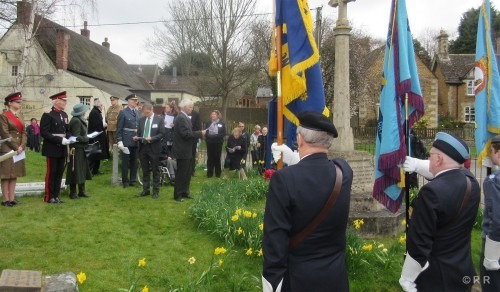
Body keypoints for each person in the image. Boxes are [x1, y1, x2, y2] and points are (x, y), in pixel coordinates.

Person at [262, 111, 352, 291]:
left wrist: (272, 284)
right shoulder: (344, 172)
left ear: (300, 139)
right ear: (328, 142)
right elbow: (321, 170)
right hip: (335, 278)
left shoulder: (284, 179)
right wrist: (296, 159)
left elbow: (275, 240)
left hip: (298, 279)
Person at [399, 132, 480, 292]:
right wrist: (416, 163)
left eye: (430, 155)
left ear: (439, 159)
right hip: (461, 270)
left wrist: (407, 278)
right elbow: (449, 174)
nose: (428, 158)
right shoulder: (471, 183)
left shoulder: (431, 193)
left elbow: (419, 244)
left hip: (435, 279)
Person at [40, 91, 71, 204]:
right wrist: (60, 140)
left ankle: (56, 195)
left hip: (62, 148)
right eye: (63, 100)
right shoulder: (48, 114)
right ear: (56, 101)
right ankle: (49, 196)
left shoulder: (64, 115)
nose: (65, 103)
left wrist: (70, 138)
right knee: (51, 172)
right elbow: (44, 132)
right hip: (52, 148)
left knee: (59, 172)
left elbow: (67, 130)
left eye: (65, 101)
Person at [172, 99, 205, 202]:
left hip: (187, 149)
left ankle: (185, 191)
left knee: (187, 172)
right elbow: (185, 134)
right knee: (181, 173)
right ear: (185, 107)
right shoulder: (181, 118)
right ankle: (177, 194)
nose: (192, 109)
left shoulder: (185, 117)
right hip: (182, 150)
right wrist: (200, 133)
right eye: (190, 107)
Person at [479, 135, 500, 292]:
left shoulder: (493, 181)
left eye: (490, 151)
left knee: (491, 284)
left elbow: (496, 220)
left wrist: (491, 256)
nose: (488, 155)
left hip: (495, 244)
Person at [0, 92, 27, 207]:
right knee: (6, 175)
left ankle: (12, 198)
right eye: (17, 102)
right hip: (8, 148)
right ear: (10, 103)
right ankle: (5, 199)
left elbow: (24, 132)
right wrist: (16, 147)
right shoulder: (4, 116)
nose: (19, 104)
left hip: (19, 148)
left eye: (20, 102)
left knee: (14, 174)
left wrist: (22, 145)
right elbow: (4, 133)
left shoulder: (20, 115)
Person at [135, 103, 165, 199]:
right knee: (145, 170)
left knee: (155, 170)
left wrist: (152, 138)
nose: (146, 114)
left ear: (152, 110)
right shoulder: (141, 120)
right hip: (143, 147)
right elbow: (139, 132)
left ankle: (156, 191)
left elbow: (162, 134)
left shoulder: (159, 119)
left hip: (154, 148)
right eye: (145, 113)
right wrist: (137, 137)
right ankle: (146, 190)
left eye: (148, 113)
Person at [66, 103, 92, 199]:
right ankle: (73, 192)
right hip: (76, 148)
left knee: (82, 169)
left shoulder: (79, 119)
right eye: (84, 111)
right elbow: (76, 137)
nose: (85, 112)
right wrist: (86, 138)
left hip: (81, 148)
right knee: (75, 169)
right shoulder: (76, 121)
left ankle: (81, 190)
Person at [116, 94, 140, 188]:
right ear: (128, 101)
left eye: (136, 100)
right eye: (133, 100)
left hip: (136, 140)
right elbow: (119, 128)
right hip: (126, 140)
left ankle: (132, 181)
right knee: (125, 162)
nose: (135, 102)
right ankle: (125, 181)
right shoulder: (123, 112)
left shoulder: (138, 112)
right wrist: (119, 141)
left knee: (134, 161)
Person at [87, 98, 109, 176]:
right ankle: (89, 171)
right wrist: (104, 126)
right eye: (101, 105)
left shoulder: (97, 112)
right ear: (98, 105)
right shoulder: (94, 113)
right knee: (94, 155)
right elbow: (96, 126)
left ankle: (96, 170)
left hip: (99, 136)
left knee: (98, 155)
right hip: (95, 137)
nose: (102, 107)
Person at [204, 110, 226, 178]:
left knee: (217, 157)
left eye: (214, 114)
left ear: (218, 116)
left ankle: (218, 174)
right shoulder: (208, 123)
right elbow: (205, 131)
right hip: (210, 142)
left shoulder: (221, 123)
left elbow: (223, 133)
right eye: (212, 114)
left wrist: (215, 136)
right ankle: (209, 173)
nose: (213, 115)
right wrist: (208, 136)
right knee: (210, 158)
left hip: (218, 143)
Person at [189, 108, 202, 176]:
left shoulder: (196, 114)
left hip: (193, 138)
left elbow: (198, 126)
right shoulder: (183, 113)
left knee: (192, 155)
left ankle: (191, 171)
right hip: (185, 138)